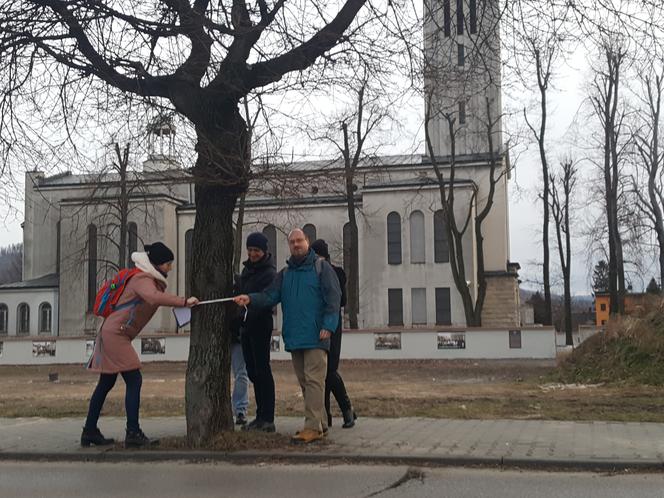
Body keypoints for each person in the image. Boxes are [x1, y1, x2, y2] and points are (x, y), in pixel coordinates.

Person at [82, 242, 198, 448]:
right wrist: (183, 301)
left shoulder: (146, 278)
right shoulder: (142, 278)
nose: (170, 268)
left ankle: (89, 431)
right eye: (168, 264)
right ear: (157, 263)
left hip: (113, 332)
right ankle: (133, 432)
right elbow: (153, 298)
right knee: (134, 379)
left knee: (106, 383)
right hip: (116, 334)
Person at [234, 229, 341, 443]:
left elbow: (333, 297)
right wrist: (251, 299)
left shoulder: (321, 268)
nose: (296, 245)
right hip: (295, 336)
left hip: (316, 335)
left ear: (307, 242)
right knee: (306, 382)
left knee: (313, 381)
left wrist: (329, 325)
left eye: (299, 241)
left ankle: (312, 427)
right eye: (292, 242)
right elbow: (270, 296)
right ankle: (320, 423)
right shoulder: (285, 273)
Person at [232, 232, 277, 432]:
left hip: (260, 324)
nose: (252, 254)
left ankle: (267, 417)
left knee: (262, 371)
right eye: (250, 250)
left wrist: (249, 299)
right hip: (246, 326)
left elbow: (266, 298)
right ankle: (259, 416)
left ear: (264, 251)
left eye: (256, 250)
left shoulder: (269, 273)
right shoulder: (247, 271)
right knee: (252, 371)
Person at [310, 239, 357, 429]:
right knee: (319, 373)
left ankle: (347, 409)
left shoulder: (335, 272)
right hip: (315, 326)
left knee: (329, 371)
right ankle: (325, 415)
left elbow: (342, 301)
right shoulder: (310, 272)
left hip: (332, 326)